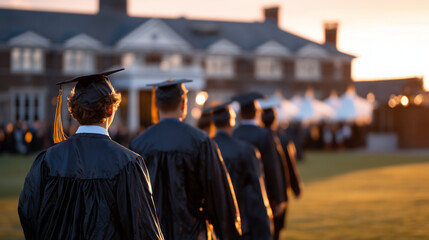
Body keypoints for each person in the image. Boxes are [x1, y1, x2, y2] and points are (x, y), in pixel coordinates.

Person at [18, 69, 164, 240]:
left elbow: (28, 213)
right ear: (111, 110)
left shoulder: (48, 160)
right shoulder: (128, 163)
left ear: (73, 110)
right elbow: (144, 230)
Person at [129, 79, 241, 240]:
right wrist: (229, 234)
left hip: (152, 233)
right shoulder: (201, 142)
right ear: (183, 104)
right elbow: (218, 195)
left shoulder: (138, 144)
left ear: (156, 105)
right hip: (192, 231)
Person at [206, 101, 273, 240]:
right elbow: (256, 195)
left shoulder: (203, 149)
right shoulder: (246, 151)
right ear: (232, 122)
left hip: (211, 224)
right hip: (241, 223)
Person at [231, 92, 285, 238]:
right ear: (256, 113)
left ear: (241, 114)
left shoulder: (234, 134)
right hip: (262, 191)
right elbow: (272, 167)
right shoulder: (265, 135)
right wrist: (278, 198)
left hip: (238, 193)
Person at [259, 101, 303, 239]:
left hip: (260, 190)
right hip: (279, 191)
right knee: (276, 230)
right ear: (275, 119)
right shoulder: (283, 139)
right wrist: (296, 188)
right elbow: (290, 166)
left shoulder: (257, 138)